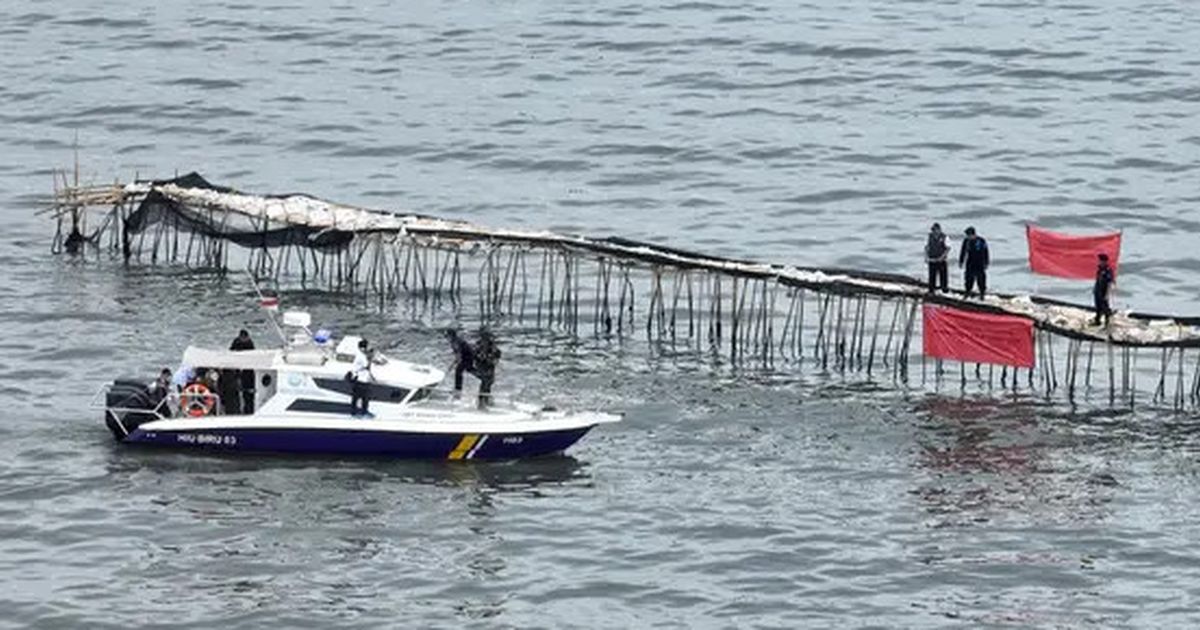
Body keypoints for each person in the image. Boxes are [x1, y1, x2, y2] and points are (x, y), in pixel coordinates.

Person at [473, 329, 501, 410]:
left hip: (489, 366)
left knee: (489, 382)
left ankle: (486, 399)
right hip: (482, 365)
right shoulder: (478, 345)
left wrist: (493, 360)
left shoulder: (492, 345)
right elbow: (474, 354)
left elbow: (497, 354)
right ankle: (481, 402)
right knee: (484, 383)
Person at [229, 329, 256, 414]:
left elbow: (252, 353)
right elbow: (231, 351)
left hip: (247, 370)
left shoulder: (249, 343)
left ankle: (247, 410)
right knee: (237, 392)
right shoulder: (236, 341)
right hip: (238, 367)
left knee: (247, 395)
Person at [958, 226, 990, 298]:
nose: (968, 237)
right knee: (968, 278)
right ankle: (967, 292)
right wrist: (961, 261)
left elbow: (986, 252)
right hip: (970, 262)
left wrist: (986, 262)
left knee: (981, 279)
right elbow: (963, 252)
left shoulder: (981, 241)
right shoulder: (966, 241)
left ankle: (982, 294)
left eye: (969, 235)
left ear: (973, 234)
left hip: (980, 263)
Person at [445, 328, 477, 394]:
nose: (446, 338)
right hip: (465, 357)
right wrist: (454, 363)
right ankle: (482, 376)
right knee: (468, 369)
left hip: (468, 357)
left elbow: (459, 352)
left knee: (458, 371)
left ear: (451, 335)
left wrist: (457, 362)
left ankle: (458, 389)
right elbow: (457, 353)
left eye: (447, 336)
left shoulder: (456, 341)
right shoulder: (454, 341)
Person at [349, 338, 373, 417]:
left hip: (361, 379)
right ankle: (362, 412)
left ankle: (355, 411)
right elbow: (366, 365)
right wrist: (370, 356)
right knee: (364, 397)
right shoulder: (361, 356)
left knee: (357, 397)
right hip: (361, 380)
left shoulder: (361, 355)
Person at [1092, 253, 1115, 327]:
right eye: (1099, 260)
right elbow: (1098, 280)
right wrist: (1095, 289)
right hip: (1098, 291)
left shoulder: (1108, 271)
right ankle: (1097, 321)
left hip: (1104, 291)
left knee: (1105, 307)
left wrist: (1107, 294)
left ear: (1105, 261)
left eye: (1101, 261)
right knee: (1098, 307)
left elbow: (1110, 283)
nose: (1100, 262)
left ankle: (1108, 323)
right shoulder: (1099, 269)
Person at [924, 223, 949, 293]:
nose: (934, 231)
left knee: (943, 276)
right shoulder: (929, 237)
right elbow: (926, 247)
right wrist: (926, 257)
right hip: (932, 259)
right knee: (932, 276)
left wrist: (942, 257)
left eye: (936, 230)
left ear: (939, 229)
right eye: (933, 230)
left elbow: (947, 249)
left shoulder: (944, 237)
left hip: (941, 260)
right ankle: (931, 290)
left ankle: (944, 289)